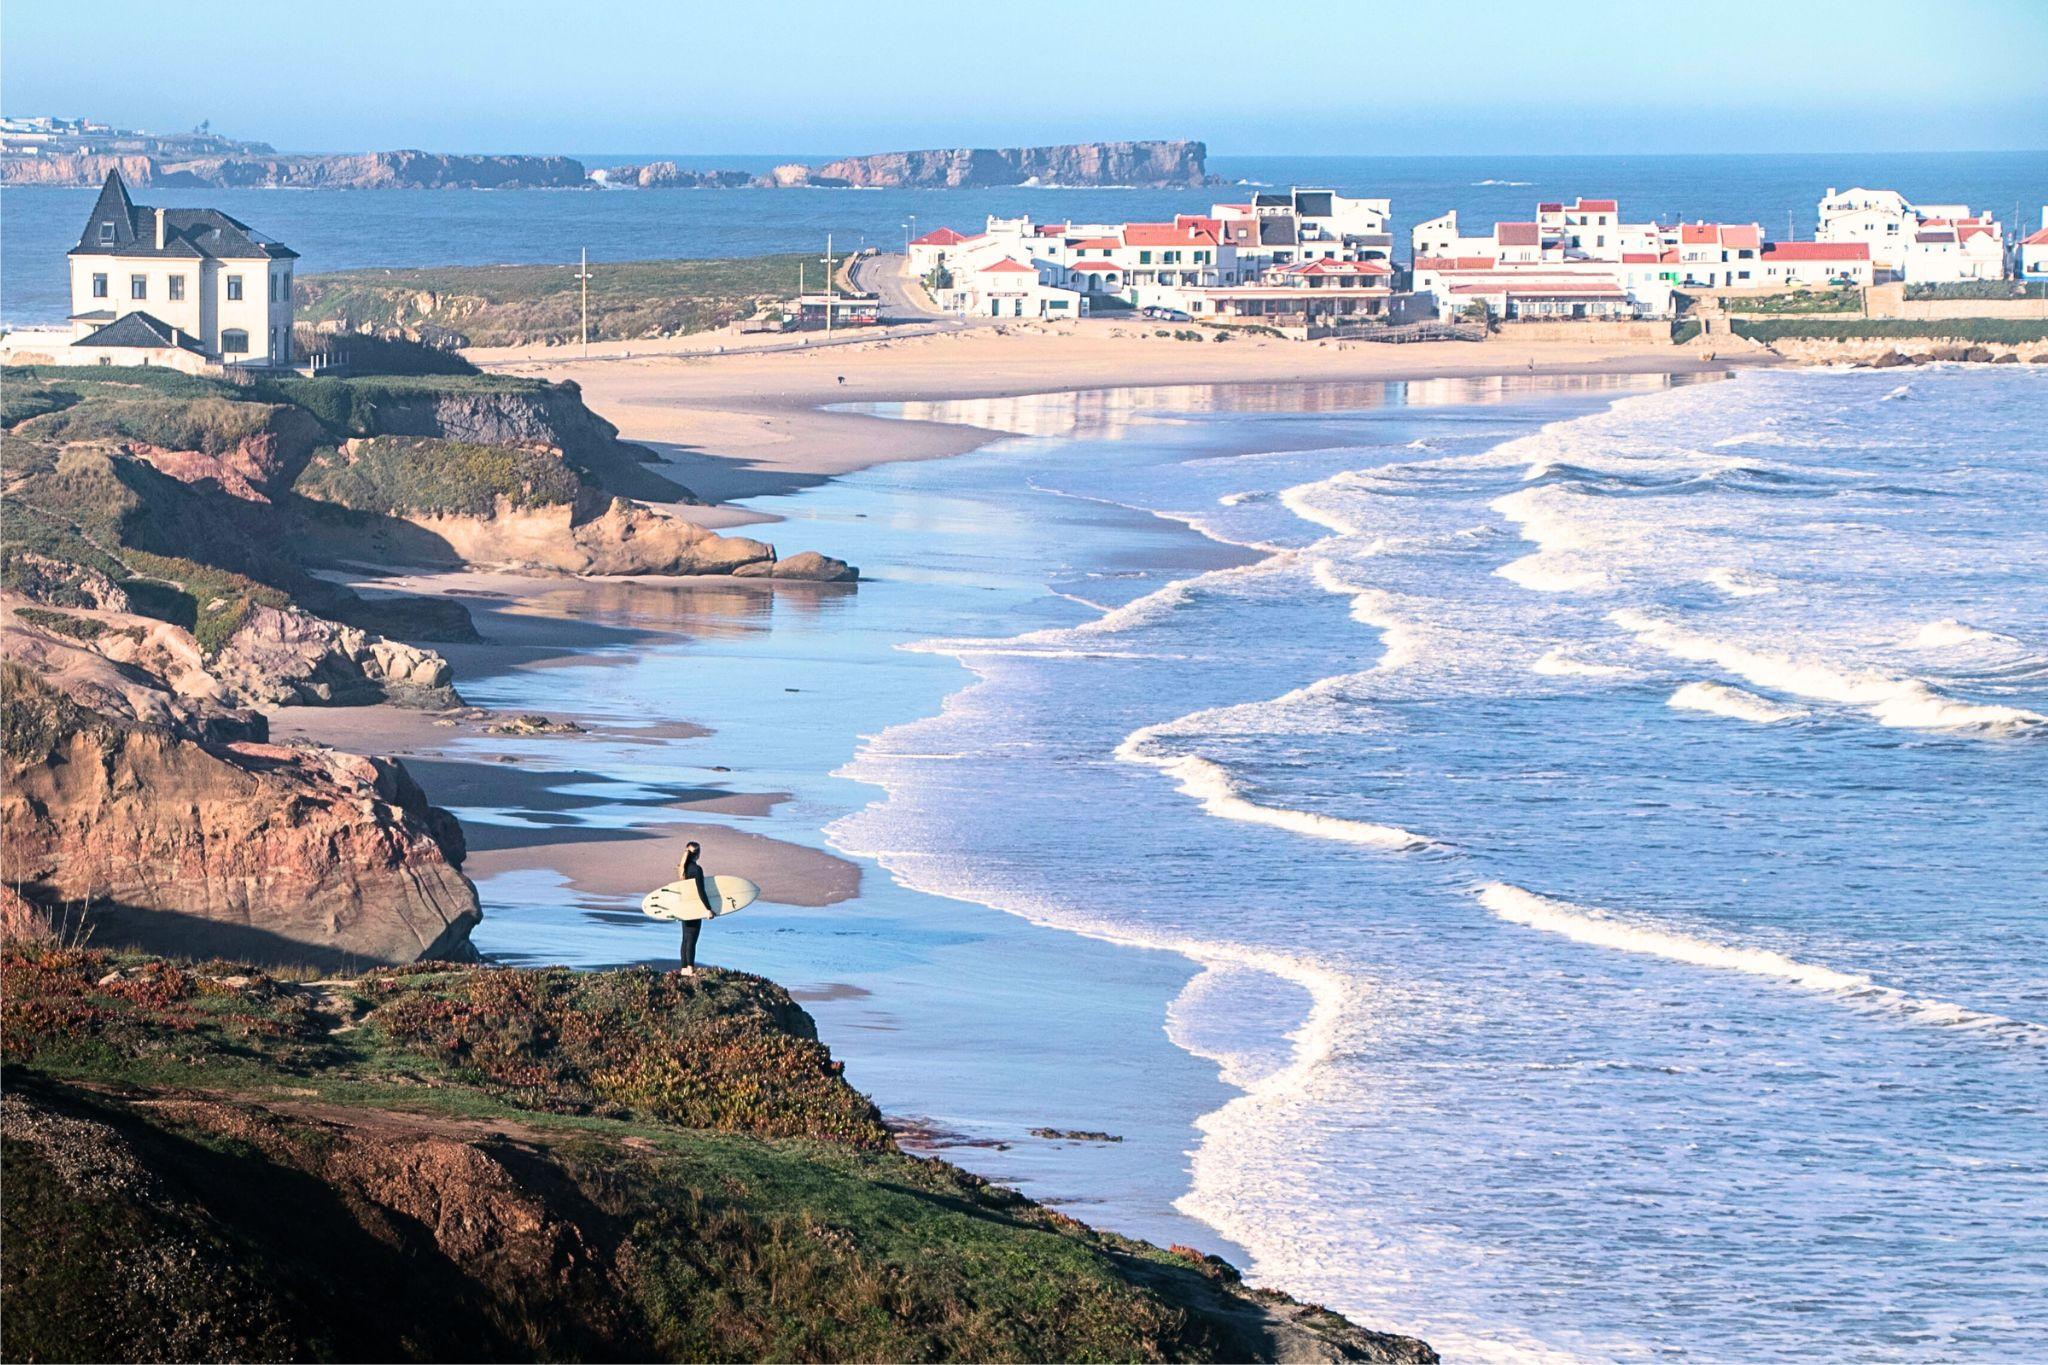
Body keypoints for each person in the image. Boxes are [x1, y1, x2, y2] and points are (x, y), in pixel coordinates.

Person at [677, 840, 710, 975]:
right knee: (692, 938)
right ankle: (690, 967)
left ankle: (684, 968)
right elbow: (701, 891)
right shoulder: (697, 869)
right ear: (697, 854)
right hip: (694, 907)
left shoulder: (683, 869)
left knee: (685, 937)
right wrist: (708, 909)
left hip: (684, 906)